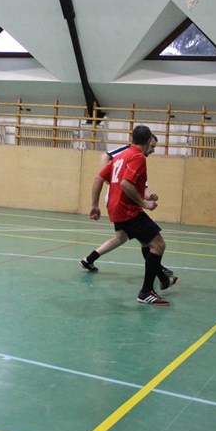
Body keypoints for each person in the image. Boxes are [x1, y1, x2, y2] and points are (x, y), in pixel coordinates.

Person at [84, 125, 174, 306]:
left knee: (146, 243)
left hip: (116, 209)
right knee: (158, 244)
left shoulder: (121, 156)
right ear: (147, 140)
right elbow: (126, 184)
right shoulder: (137, 157)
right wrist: (144, 203)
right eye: (152, 146)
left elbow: (98, 178)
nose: (153, 150)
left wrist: (94, 205)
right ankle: (146, 292)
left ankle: (163, 278)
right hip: (128, 210)